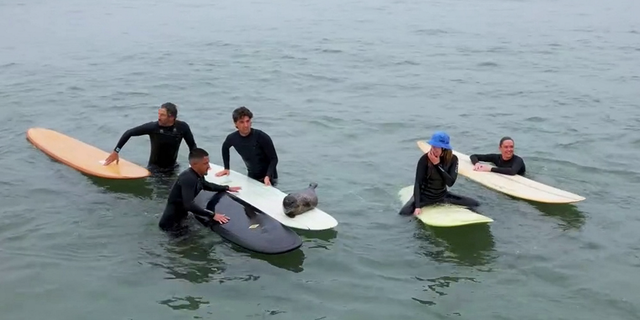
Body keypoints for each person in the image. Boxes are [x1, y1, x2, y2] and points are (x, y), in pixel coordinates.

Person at [158, 147, 242, 234]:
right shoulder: (188, 178)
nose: (209, 167)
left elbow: (206, 185)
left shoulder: (197, 175)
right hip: (171, 226)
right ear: (195, 164)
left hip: (182, 219)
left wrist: (226, 187)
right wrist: (213, 215)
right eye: (205, 163)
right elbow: (189, 205)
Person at [399, 131, 480, 216]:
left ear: (444, 148)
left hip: (442, 195)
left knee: (475, 203)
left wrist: (437, 165)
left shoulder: (453, 159)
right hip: (424, 197)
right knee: (403, 213)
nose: (433, 149)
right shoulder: (424, 159)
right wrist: (417, 207)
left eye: (436, 147)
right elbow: (418, 183)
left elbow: (450, 183)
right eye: (432, 146)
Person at [103, 102, 197, 173]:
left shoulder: (182, 127)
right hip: (154, 170)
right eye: (159, 114)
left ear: (171, 117)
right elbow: (129, 133)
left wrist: (195, 163)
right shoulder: (153, 127)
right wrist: (116, 151)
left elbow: (192, 147)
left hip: (173, 168)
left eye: (162, 115)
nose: (159, 117)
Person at [215, 106, 279, 186]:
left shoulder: (261, 137)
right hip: (252, 176)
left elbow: (274, 159)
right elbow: (225, 148)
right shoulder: (232, 138)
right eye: (242, 122)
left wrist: (268, 176)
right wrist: (226, 168)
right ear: (235, 124)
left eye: (248, 121)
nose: (246, 125)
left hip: (269, 178)